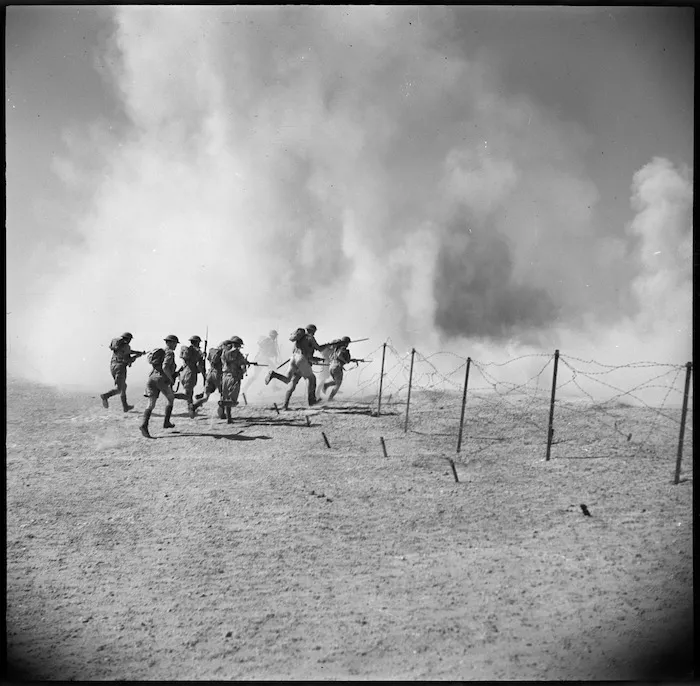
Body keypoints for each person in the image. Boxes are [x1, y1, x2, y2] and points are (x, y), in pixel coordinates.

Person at [265, 326, 323, 409]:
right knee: (312, 378)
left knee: (289, 380)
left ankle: (285, 404)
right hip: (302, 360)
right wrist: (328, 345)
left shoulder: (299, 339)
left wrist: (316, 359)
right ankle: (311, 401)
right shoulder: (310, 337)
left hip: (293, 359)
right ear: (313, 331)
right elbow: (319, 348)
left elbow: (304, 353)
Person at [100, 332, 145, 412]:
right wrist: (136, 356)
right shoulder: (126, 346)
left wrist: (138, 352)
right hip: (120, 368)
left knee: (123, 386)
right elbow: (128, 359)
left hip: (113, 366)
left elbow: (128, 352)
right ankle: (105, 396)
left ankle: (125, 407)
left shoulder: (118, 347)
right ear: (128, 339)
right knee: (119, 389)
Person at [139, 347, 176, 438]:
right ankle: (166, 422)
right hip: (161, 379)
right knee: (171, 398)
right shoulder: (169, 352)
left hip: (152, 378)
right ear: (172, 343)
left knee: (151, 404)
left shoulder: (160, 353)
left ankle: (144, 425)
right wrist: (171, 379)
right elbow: (165, 367)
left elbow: (154, 369)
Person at [192, 339, 228, 418]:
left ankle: (193, 406)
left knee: (205, 397)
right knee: (223, 395)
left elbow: (208, 359)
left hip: (210, 374)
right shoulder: (223, 353)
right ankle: (221, 413)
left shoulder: (212, 351)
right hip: (218, 375)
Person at [220, 337, 248, 423]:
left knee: (226, 397)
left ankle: (229, 418)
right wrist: (244, 367)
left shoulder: (224, 352)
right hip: (234, 378)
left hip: (225, 377)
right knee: (232, 400)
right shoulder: (238, 355)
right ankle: (227, 414)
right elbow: (243, 368)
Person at [178, 335, 206, 419]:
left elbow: (184, 363)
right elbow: (198, 364)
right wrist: (203, 374)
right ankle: (172, 395)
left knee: (189, 393)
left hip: (184, 373)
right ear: (197, 342)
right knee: (187, 394)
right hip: (190, 373)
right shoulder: (197, 352)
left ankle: (191, 410)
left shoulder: (188, 351)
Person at [320, 336, 352, 401]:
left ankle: (326, 385)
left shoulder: (335, 349)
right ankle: (330, 398)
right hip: (337, 367)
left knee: (336, 382)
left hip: (332, 366)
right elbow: (339, 355)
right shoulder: (342, 348)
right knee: (338, 384)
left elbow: (336, 357)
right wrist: (345, 361)